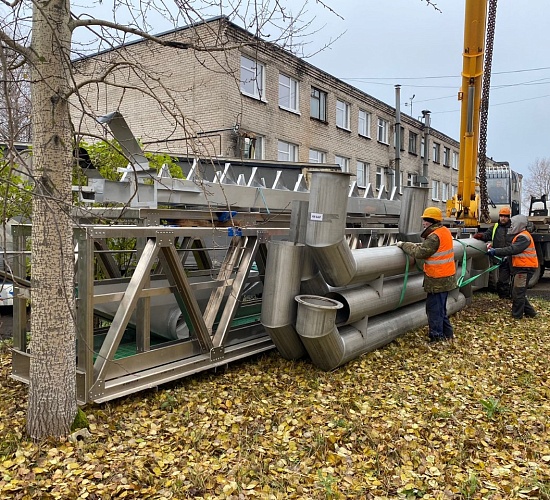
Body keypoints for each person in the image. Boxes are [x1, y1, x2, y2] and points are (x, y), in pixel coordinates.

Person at [397, 207, 457, 342]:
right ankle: (448, 335)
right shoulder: (444, 231)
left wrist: (404, 245)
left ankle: (437, 338)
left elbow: (420, 253)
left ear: (430, 221)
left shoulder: (434, 236)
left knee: (434, 310)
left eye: (424, 220)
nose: (423, 223)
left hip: (438, 279)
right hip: (446, 277)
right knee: (441, 309)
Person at [487, 214, 538, 319]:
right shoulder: (520, 235)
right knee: (518, 291)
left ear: (519, 225)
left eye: (513, 224)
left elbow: (512, 249)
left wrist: (495, 251)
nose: (511, 226)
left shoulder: (523, 237)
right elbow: (512, 249)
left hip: (524, 268)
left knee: (518, 293)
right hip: (522, 267)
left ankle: (517, 316)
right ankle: (530, 313)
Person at [473, 206, 512, 298]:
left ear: (509, 217)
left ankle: (510, 296)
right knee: (502, 280)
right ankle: (504, 297)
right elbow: (487, 235)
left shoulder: (513, 227)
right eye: (501, 216)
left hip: (511, 256)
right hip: (499, 258)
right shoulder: (495, 227)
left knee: (512, 279)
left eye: (505, 216)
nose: (503, 218)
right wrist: (480, 236)